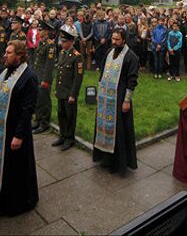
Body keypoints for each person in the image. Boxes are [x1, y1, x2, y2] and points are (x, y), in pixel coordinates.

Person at [0, 40, 39, 217]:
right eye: (5, 52)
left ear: (19, 56)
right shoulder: (5, 72)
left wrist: (18, 136)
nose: (5, 55)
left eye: (9, 53)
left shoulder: (29, 77)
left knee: (13, 169)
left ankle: (12, 203)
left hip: (14, 132)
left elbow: (28, 109)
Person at [93, 28, 139, 175]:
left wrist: (127, 101)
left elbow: (132, 81)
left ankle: (118, 163)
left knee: (118, 130)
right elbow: (102, 73)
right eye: (112, 39)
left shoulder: (131, 57)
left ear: (124, 40)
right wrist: (99, 90)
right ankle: (105, 158)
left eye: (117, 39)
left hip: (119, 97)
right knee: (103, 126)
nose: (113, 42)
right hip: (105, 97)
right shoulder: (109, 52)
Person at [51, 28, 83, 151]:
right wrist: (56, 89)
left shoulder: (77, 56)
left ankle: (70, 138)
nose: (62, 43)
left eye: (64, 42)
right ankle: (62, 135)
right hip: (61, 91)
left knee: (70, 116)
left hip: (69, 92)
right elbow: (59, 73)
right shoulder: (62, 53)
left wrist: (73, 95)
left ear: (71, 42)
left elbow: (77, 78)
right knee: (61, 114)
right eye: (61, 41)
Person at [32, 22, 56, 134]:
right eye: (39, 29)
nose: (39, 31)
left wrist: (45, 80)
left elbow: (49, 65)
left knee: (44, 100)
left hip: (44, 76)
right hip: (37, 74)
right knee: (38, 99)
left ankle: (44, 123)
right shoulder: (41, 42)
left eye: (41, 30)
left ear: (46, 31)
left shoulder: (50, 45)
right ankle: (38, 119)